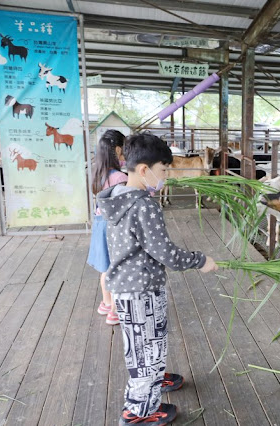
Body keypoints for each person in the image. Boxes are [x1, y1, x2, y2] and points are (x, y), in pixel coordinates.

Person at [98, 133, 218, 425]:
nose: (165, 176)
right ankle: (139, 412)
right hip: (143, 291)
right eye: (163, 170)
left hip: (127, 290)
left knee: (141, 346)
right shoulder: (143, 205)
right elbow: (166, 253)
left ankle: (152, 383)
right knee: (148, 350)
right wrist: (200, 260)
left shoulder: (117, 197)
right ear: (143, 170)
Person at [87, 129, 128, 326]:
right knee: (115, 269)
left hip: (99, 223)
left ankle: (105, 303)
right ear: (118, 149)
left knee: (105, 268)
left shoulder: (98, 173)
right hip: (112, 226)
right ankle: (114, 311)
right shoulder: (119, 177)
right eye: (124, 150)